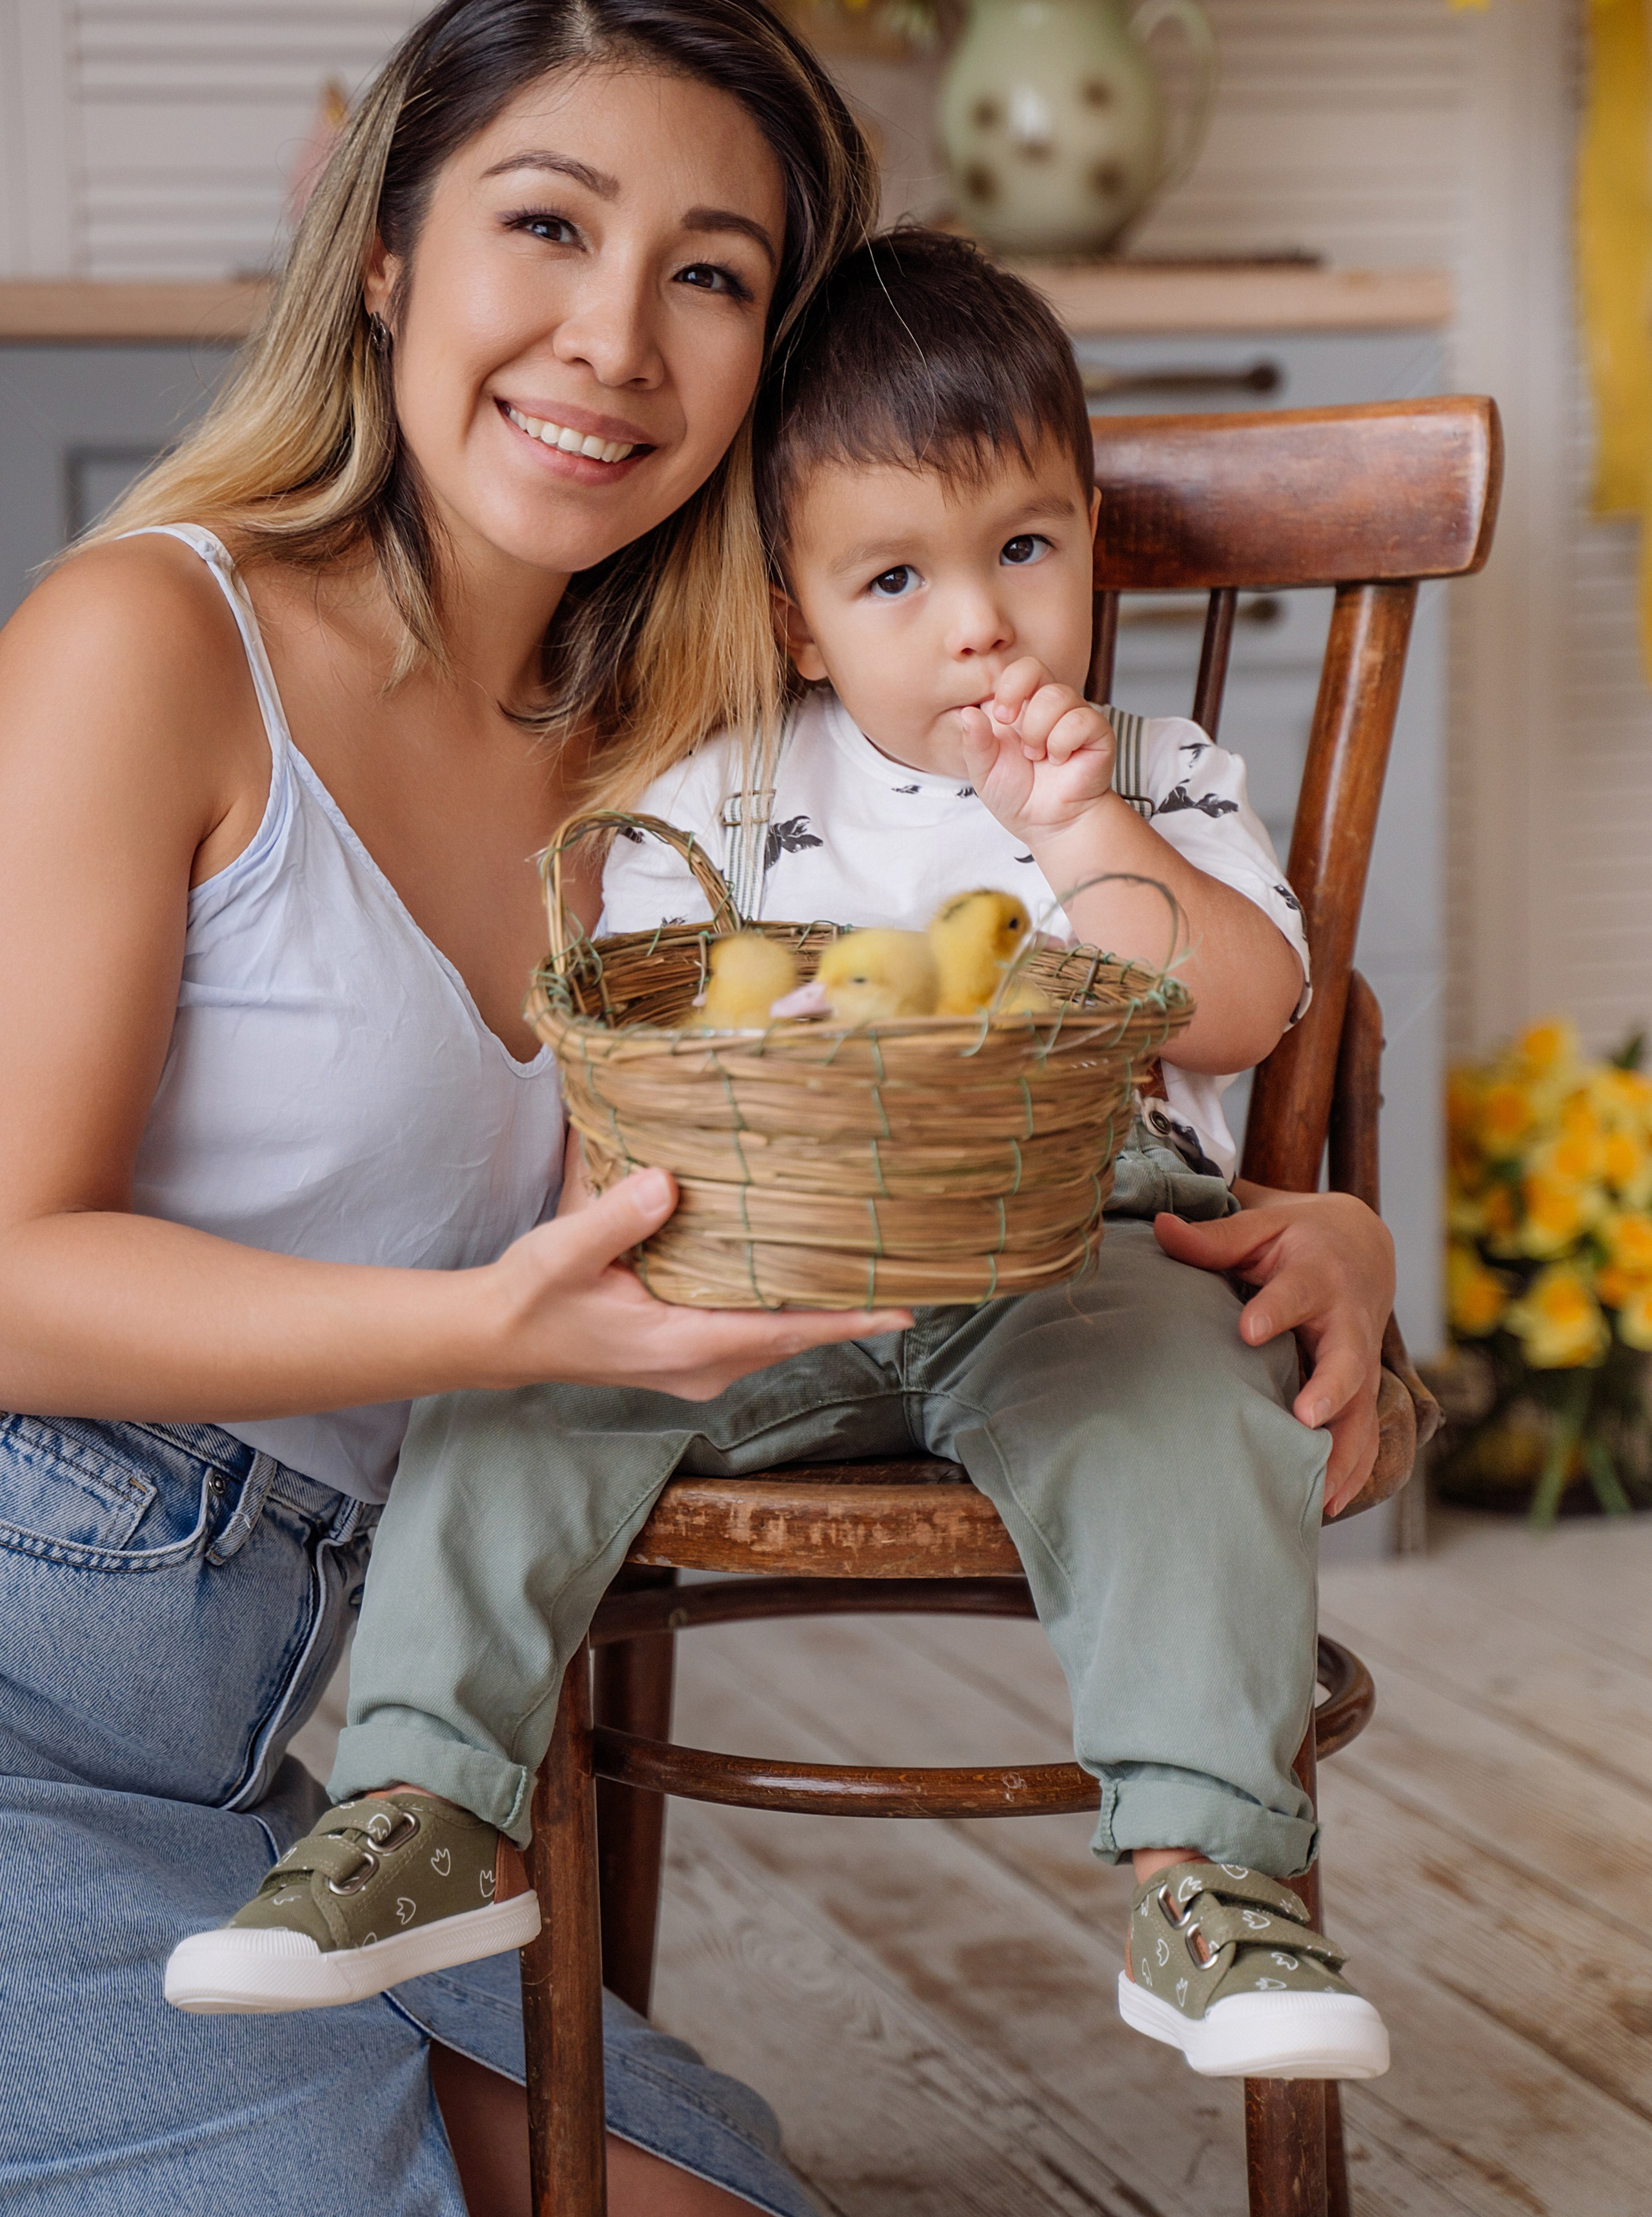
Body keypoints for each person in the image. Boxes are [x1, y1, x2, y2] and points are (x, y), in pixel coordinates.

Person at [172, 228, 1393, 2091]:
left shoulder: (1160, 774)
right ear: (805, 616)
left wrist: (1075, 832)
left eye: (1025, 551)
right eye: (897, 575)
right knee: (520, 1394)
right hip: (752, 1267)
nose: (979, 622)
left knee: (1188, 1407)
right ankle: (425, 1803)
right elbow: (625, 1056)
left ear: (1089, 543)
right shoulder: (714, 787)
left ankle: (1210, 1869)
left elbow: (1228, 1010)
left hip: (1069, 1253)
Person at [0, 0, 909, 2217]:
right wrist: (495, 1331)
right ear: (389, 249)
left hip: (257, 1775)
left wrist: (1276, 1229)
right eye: (549, 223)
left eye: (710, 276)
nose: (614, 339)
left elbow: (954, 1131)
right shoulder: (154, 641)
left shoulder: (690, 788)